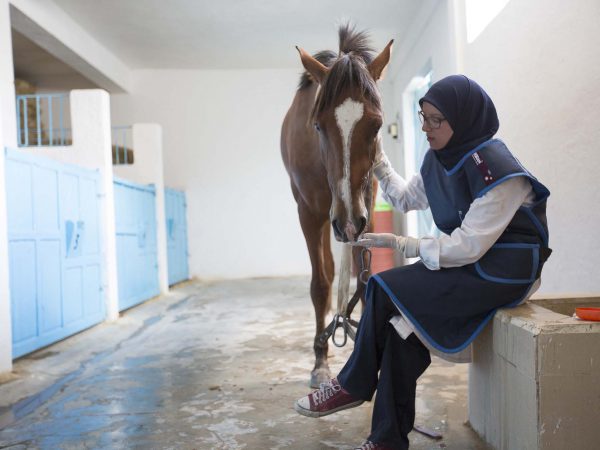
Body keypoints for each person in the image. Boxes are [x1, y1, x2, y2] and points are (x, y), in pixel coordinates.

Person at [293, 75, 552, 449]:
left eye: (436, 120)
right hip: (469, 267)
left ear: (463, 119)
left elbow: (469, 246)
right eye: (423, 117)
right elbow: (403, 197)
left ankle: (352, 383)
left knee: (383, 286)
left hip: (504, 272)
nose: (426, 127)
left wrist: (404, 244)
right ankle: (386, 440)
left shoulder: (497, 169)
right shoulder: (438, 160)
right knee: (401, 333)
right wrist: (376, 158)